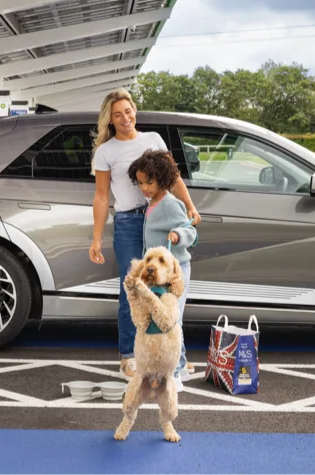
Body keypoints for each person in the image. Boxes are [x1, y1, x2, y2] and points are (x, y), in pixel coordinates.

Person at [89, 88, 200, 379]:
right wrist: (97, 238)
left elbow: (171, 178)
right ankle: (128, 356)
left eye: (128, 110)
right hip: (128, 223)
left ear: (134, 110)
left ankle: (178, 357)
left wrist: (189, 206)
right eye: (117, 114)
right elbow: (101, 197)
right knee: (133, 290)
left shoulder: (153, 140)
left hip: (158, 217)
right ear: (109, 120)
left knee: (167, 288)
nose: (125, 117)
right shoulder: (106, 151)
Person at [127, 149, 198, 391]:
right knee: (173, 318)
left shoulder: (168, 204)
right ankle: (183, 364)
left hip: (175, 272)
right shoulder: (153, 203)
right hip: (160, 274)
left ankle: (175, 374)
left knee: (169, 321)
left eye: (150, 182)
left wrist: (178, 235)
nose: (145, 187)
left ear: (162, 178)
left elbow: (192, 231)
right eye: (141, 183)